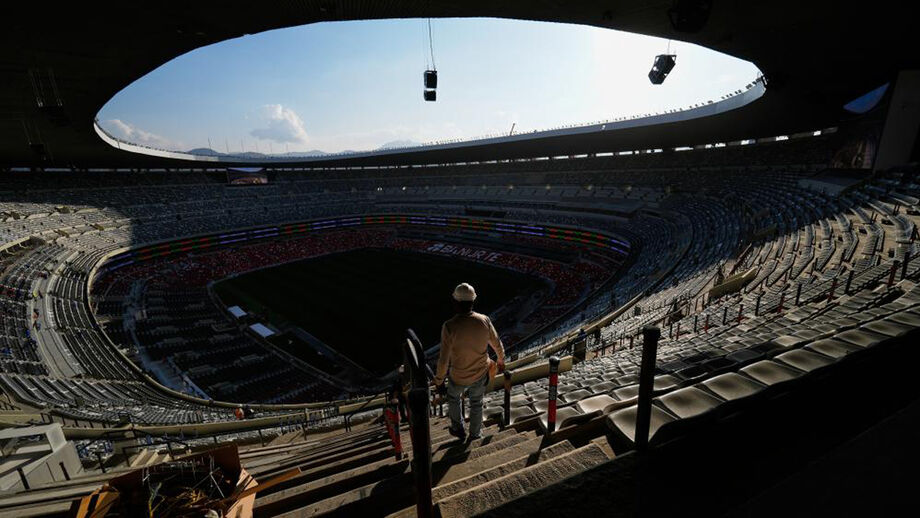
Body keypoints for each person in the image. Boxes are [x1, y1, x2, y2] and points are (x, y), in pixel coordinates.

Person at [434, 283, 505, 442]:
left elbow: (444, 359)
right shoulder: (484, 320)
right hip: (480, 373)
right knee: (476, 403)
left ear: (455, 303)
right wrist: (501, 360)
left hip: (458, 375)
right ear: (473, 301)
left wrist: (439, 381)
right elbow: (497, 343)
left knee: (453, 398)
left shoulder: (449, 326)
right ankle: (475, 435)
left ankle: (458, 427)